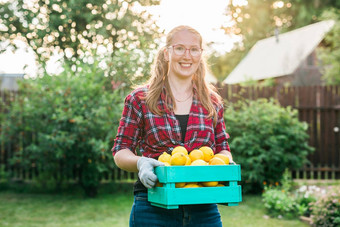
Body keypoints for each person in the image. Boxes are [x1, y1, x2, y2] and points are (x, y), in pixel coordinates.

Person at [112, 25, 234, 227]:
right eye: (179, 48)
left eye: (194, 49)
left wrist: (223, 165)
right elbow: (120, 150)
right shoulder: (140, 99)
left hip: (203, 209)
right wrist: (141, 162)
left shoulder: (212, 102)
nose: (187, 56)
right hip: (153, 209)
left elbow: (223, 149)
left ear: (200, 55)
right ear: (167, 53)